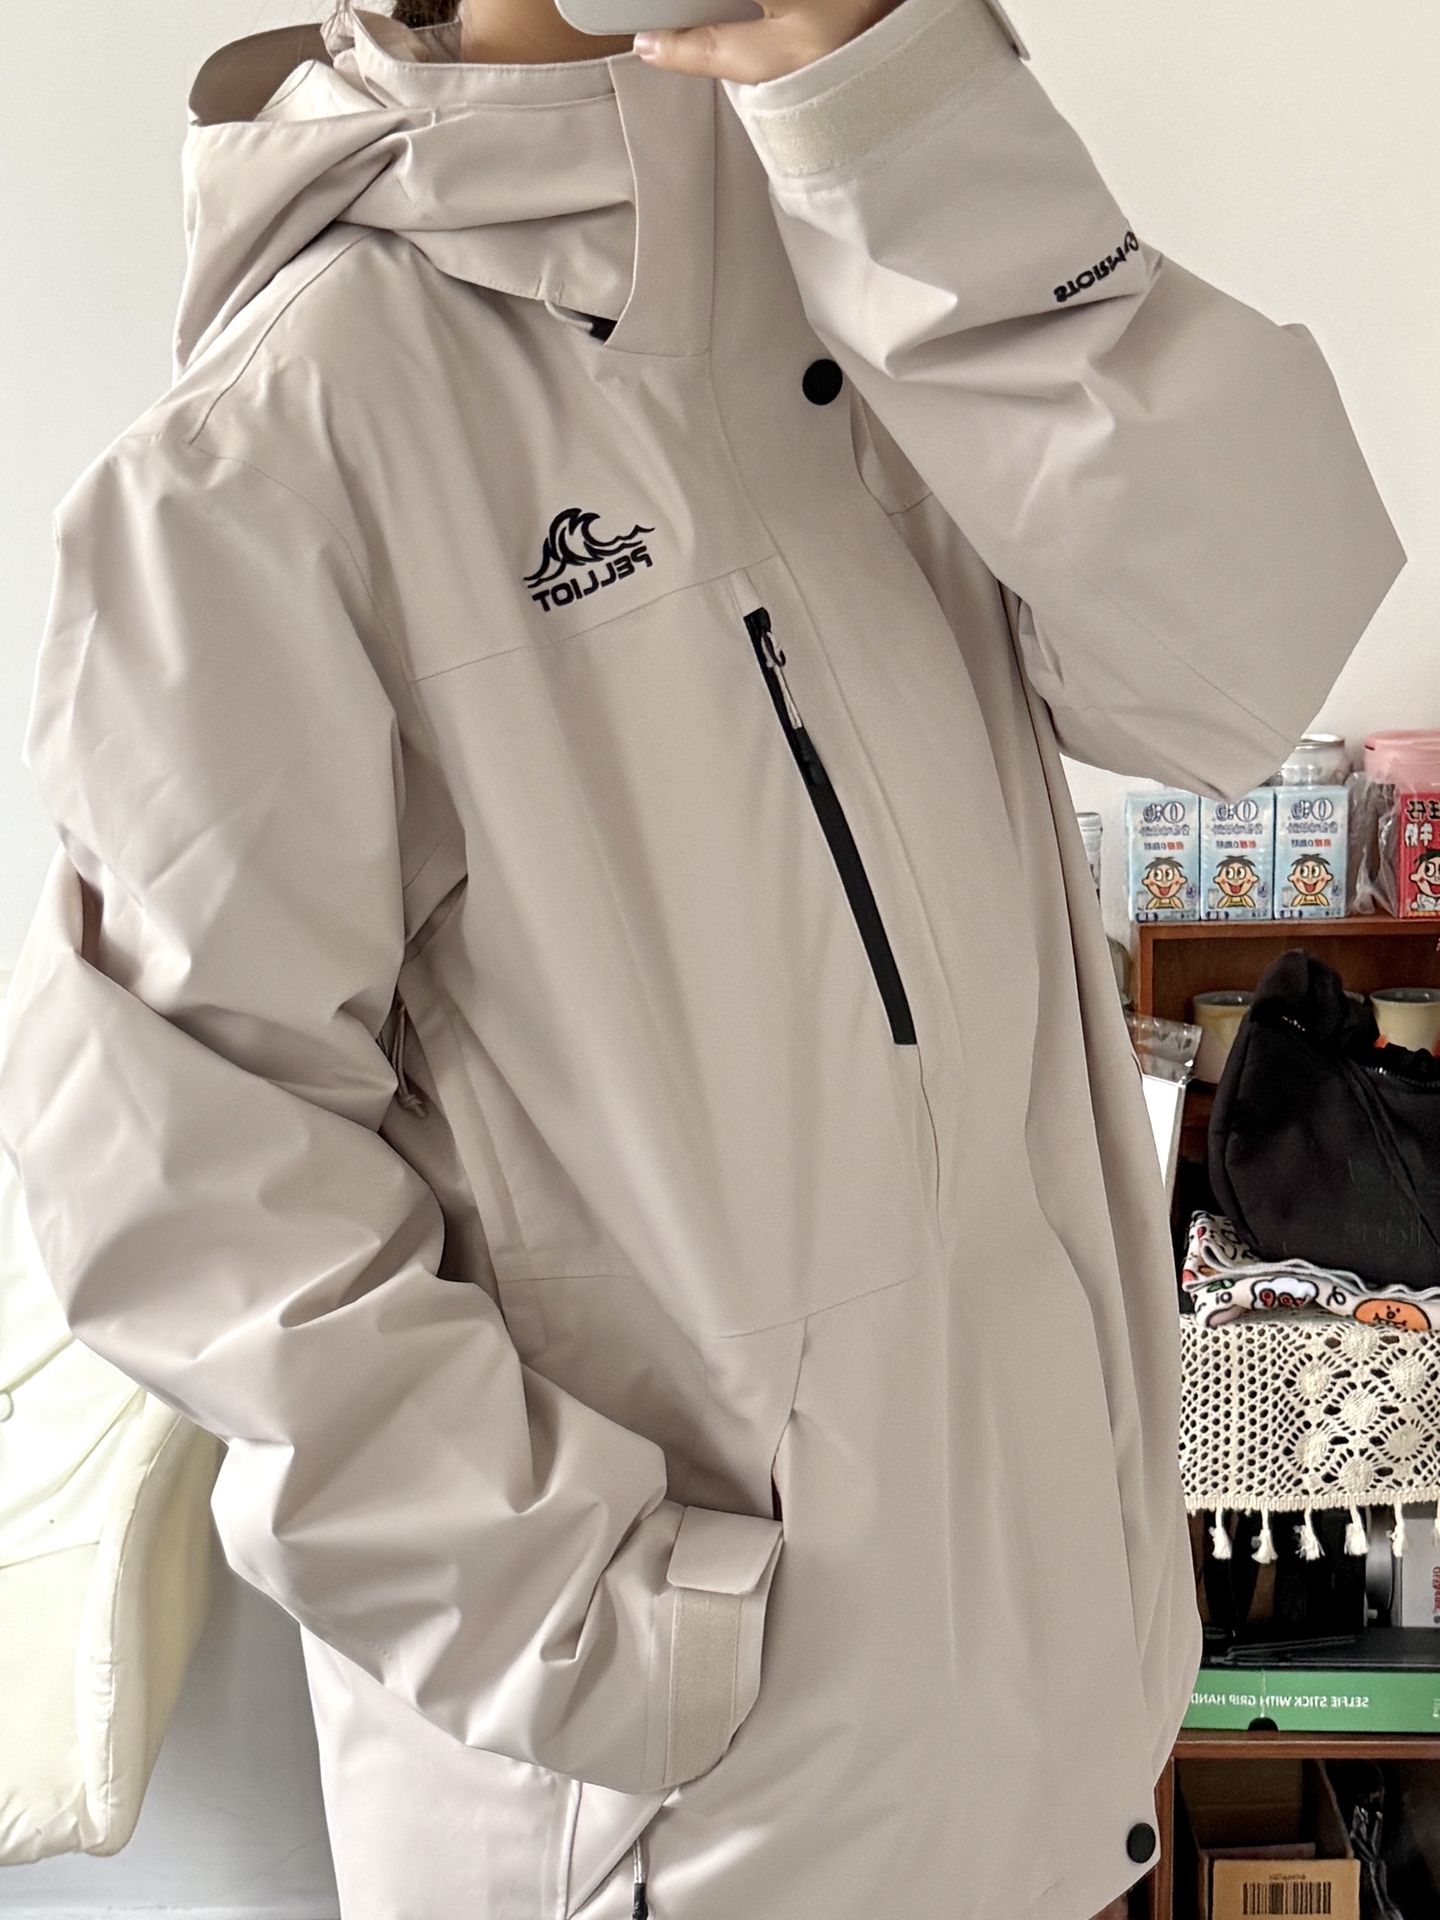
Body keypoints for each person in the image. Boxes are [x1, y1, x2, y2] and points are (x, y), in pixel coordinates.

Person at [0, 1, 1405, 1917]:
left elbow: (1248, 649)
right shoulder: (277, 451)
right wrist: (613, 1638)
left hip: (1052, 1765)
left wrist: (899, 109)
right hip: (687, 1829)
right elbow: (186, 1185)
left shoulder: (875, 259)